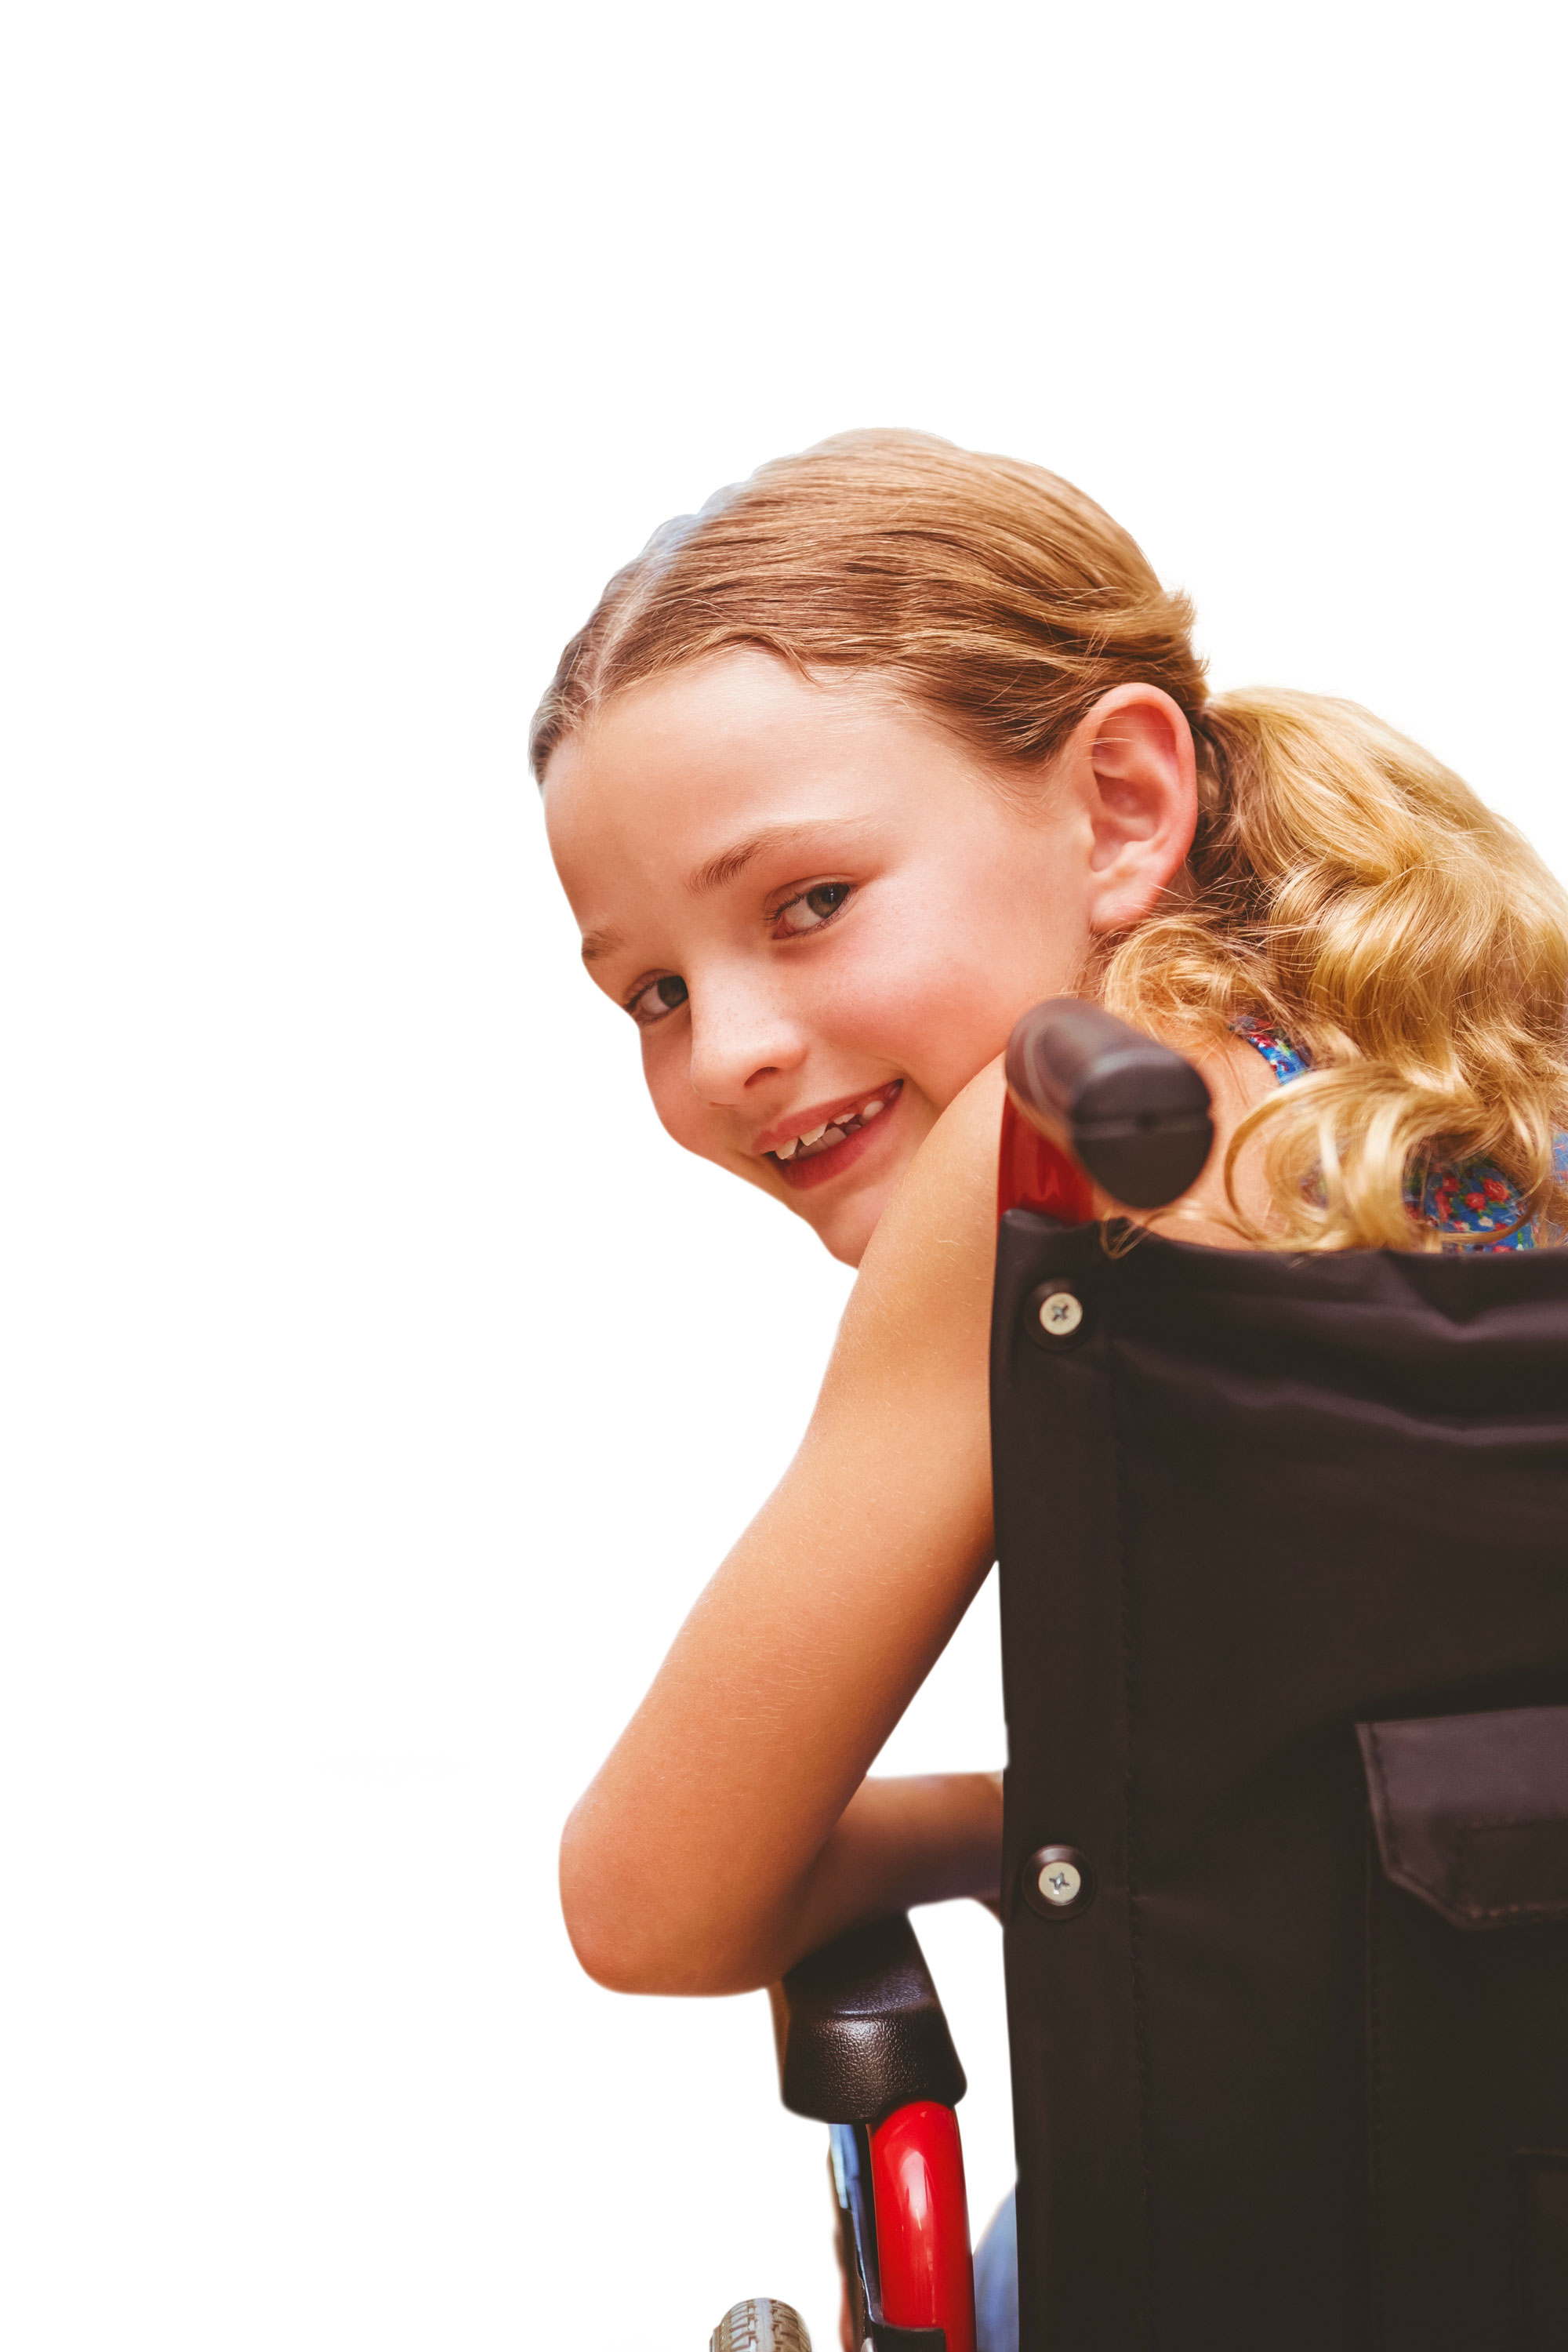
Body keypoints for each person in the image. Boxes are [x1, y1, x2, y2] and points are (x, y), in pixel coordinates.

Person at [534, 431, 1568, 2346]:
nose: (731, 1052)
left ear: (1118, 802)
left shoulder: (1052, 1156)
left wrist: (987, 1823)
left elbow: (653, 1900)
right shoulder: (1489, 1120)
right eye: (650, 996)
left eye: (807, 902)